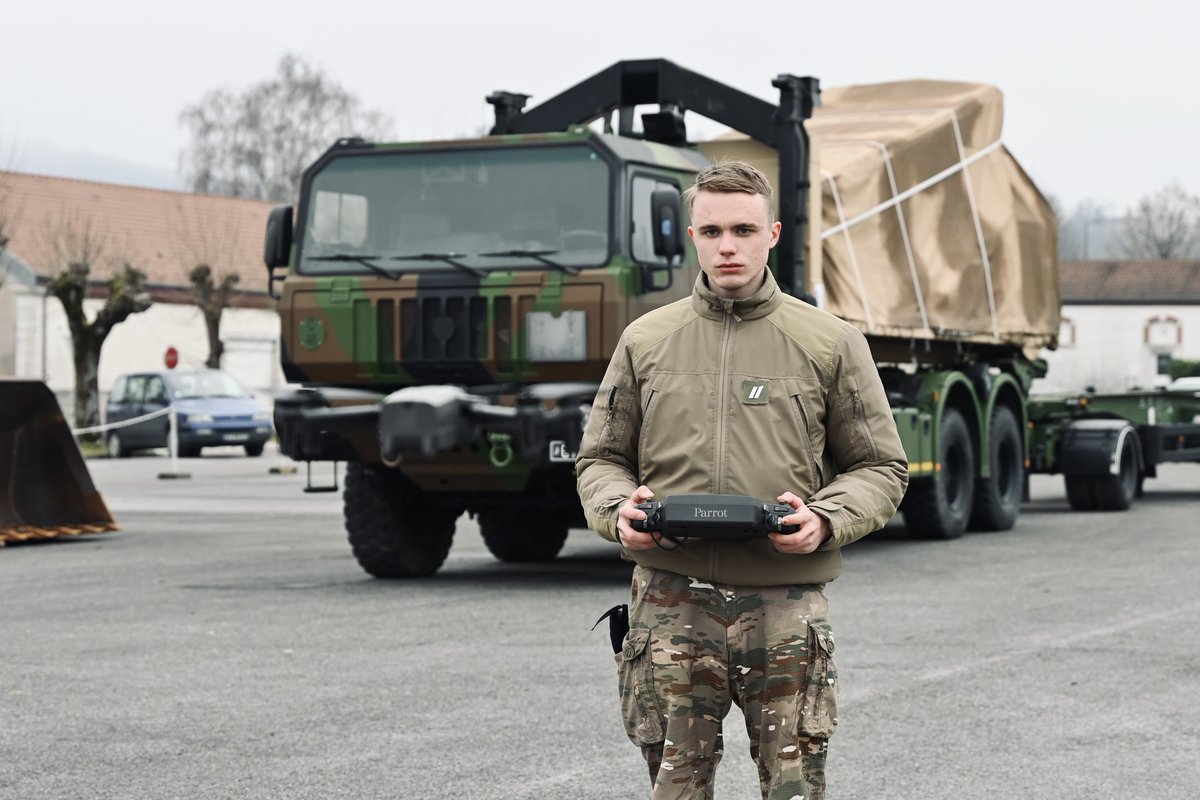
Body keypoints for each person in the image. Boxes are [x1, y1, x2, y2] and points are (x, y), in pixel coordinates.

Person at [575, 161, 908, 800]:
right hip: (671, 605)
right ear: (692, 237)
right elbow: (600, 459)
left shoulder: (829, 342)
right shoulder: (646, 341)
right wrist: (617, 508)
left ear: (773, 233)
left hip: (783, 610)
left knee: (793, 788)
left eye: (744, 229)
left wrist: (826, 518)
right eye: (712, 230)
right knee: (675, 789)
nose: (728, 246)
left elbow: (881, 466)